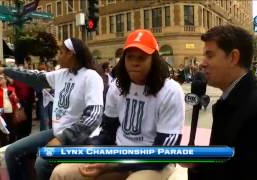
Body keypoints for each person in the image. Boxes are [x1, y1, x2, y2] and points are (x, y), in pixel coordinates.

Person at [50, 29, 185, 180]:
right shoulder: (117, 87)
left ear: (154, 60)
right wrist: (92, 147)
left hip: (152, 163)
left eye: (141, 58)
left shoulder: (171, 91)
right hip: (116, 154)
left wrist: (112, 165)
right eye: (129, 57)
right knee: (61, 173)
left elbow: (162, 153)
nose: (134, 62)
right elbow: (108, 132)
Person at [181, 25, 257, 180]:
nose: (202, 63)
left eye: (210, 55)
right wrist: (198, 163)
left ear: (233, 57)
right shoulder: (228, 100)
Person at [0, 37, 104, 180]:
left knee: (41, 162)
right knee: (11, 152)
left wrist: (62, 138)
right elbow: (33, 77)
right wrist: (5, 70)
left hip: (79, 137)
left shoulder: (90, 77)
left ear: (71, 54)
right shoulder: (61, 74)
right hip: (57, 131)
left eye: (61, 52)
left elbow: (94, 116)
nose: (58, 56)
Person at [0, 74, 18, 146]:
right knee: (2, 131)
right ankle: (4, 147)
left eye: (1, 78)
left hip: (11, 112)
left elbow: (16, 101)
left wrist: (14, 97)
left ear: (5, 80)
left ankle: (12, 147)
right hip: (1, 112)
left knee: (12, 131)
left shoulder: (12, 88)